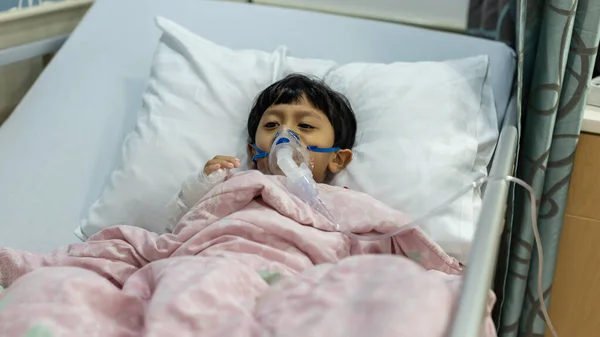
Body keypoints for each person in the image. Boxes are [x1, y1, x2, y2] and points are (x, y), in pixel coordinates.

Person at [166, 73, 357, 228]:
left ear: (337, 159)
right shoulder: (234, 186)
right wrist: (201, 185)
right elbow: (177, 226)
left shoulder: (343, 204)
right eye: (272, 124)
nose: (284, 134)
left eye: (306, 125)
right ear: (252, 152)